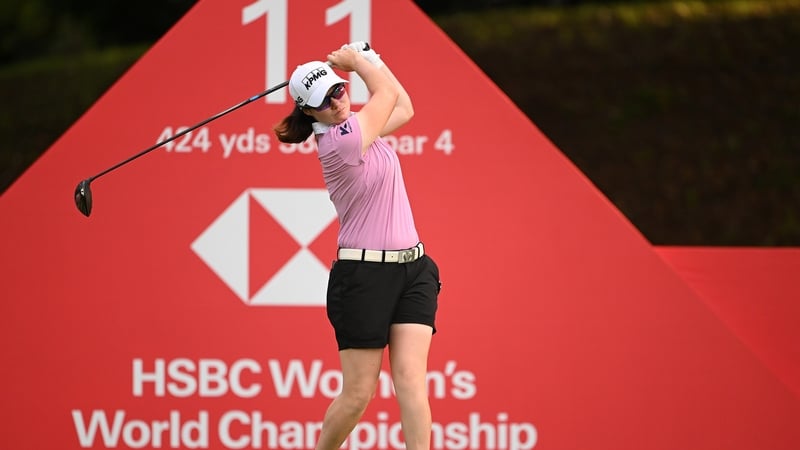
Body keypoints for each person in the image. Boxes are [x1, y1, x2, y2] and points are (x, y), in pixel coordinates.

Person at [274, 43, 441, 450]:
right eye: (323, 102)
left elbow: (404, 107)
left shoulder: (361, 129)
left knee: (411, 381)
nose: (336, 102)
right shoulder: (341, 142)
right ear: (309, 113)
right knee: (358, 394)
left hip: (414, 270)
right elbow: (384, 96)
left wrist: (375, 59)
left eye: (338, 90)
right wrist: (360, 62)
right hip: (363, 277)